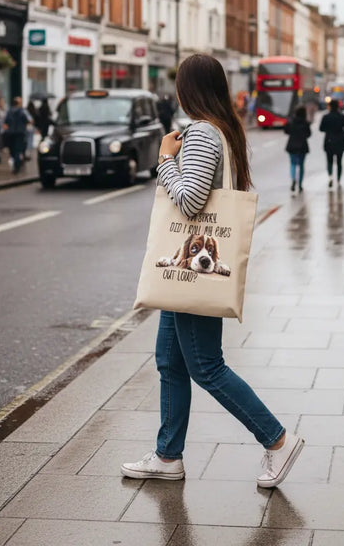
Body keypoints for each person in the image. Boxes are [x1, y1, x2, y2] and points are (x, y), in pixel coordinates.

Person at [121, 54, 304, 488]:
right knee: (170, 360)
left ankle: (278, 440)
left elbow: (189, 201)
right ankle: (168, 456)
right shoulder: (223, 130)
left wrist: (165, 159)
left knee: (206, 366)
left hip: (195, 273)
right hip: (185, 276)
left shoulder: (203, 133)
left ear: (190, 90)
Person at [319, 98, 344, 189]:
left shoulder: (326, 117)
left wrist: (328, 130)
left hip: (329, 141)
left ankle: (330, 176)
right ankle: (338, 179)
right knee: (339, 162)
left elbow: (321, 128)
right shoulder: (342, 116)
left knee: (329, 161)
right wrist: (342, 131)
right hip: (340, 141)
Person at [284, 105, 311, 194]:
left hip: (292, 145)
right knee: (301, 165)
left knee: (293, 164)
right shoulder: (305, 123)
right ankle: (300, 184)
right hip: (302, 146)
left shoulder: (292, 121)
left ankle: (293, 179)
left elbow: (286, 131)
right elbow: (308, 134)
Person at [4, 97, 30, 174]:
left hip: (11, 133)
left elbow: (6, 122)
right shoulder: (22, 111)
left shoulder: (9, 111)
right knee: (18, 150)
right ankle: (17, 165)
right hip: (20, 133)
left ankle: (16, 163)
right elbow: (26, 120)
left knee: (13, 149)